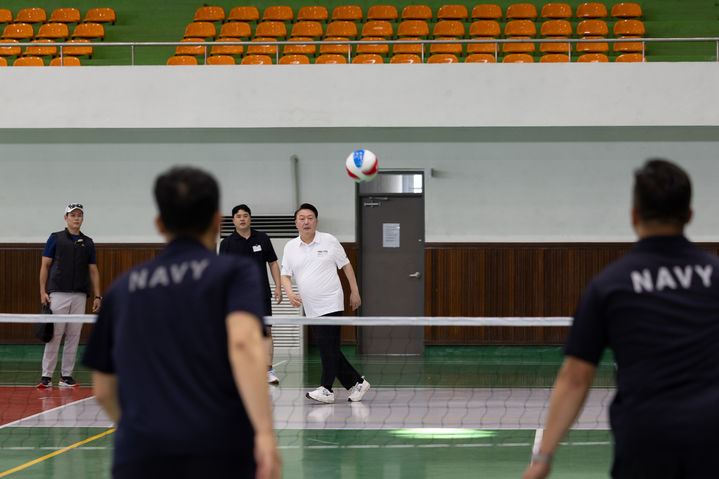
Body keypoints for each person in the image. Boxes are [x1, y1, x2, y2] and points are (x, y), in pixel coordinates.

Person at [523, 159, 719, 479]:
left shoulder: (611, 285)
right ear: (689, 215)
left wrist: (543, 457)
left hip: (646, 440)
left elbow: (575, 378)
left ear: (633, 215)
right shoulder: (715, 275)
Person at [82, 167, 281, 479]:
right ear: (218, 221)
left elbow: (104, 390)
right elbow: (243, 344)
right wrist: (265, 434)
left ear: (159, 224)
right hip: (219, 448)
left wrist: (142, 433)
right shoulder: (233, 274)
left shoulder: (123, 286)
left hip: (140, 452)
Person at [280, 203, 370, 404]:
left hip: (331, 302)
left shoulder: (329, 240)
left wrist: (354, 292)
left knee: (328, 347)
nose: (306, 222)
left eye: (310, 218)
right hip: (311, 307)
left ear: (316, 221)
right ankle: (357, 382)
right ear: (296, 223)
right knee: (329, 347)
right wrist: (289, 293)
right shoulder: (290, 247)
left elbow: (346, 267)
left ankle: (326, 389)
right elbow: (285, 275)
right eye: (302, 218)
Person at [38, 203, 102, 388]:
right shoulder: (55, 238)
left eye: (79, 215)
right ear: (66, 218)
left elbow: (93, 270)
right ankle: (46, 376)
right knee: (54, 335)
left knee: (74, 335)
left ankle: (66, 376)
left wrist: (98, 296)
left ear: (82, 218)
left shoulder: (88, 242)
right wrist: (43, 291)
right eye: (72, 215)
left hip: (80, 295)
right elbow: (45, 265)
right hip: (57, 293)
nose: (76, 218)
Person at [219, 204, 283, 384]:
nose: (242, 219)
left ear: (250, 218)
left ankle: (268, 370)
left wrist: (278, 286)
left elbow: (273, 263)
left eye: (245, 215)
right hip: (236, 296)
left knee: (266, 331)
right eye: (238, 216)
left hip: (261, 294)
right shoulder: (226, 243)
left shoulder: (262, 238)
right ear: (233, 220)